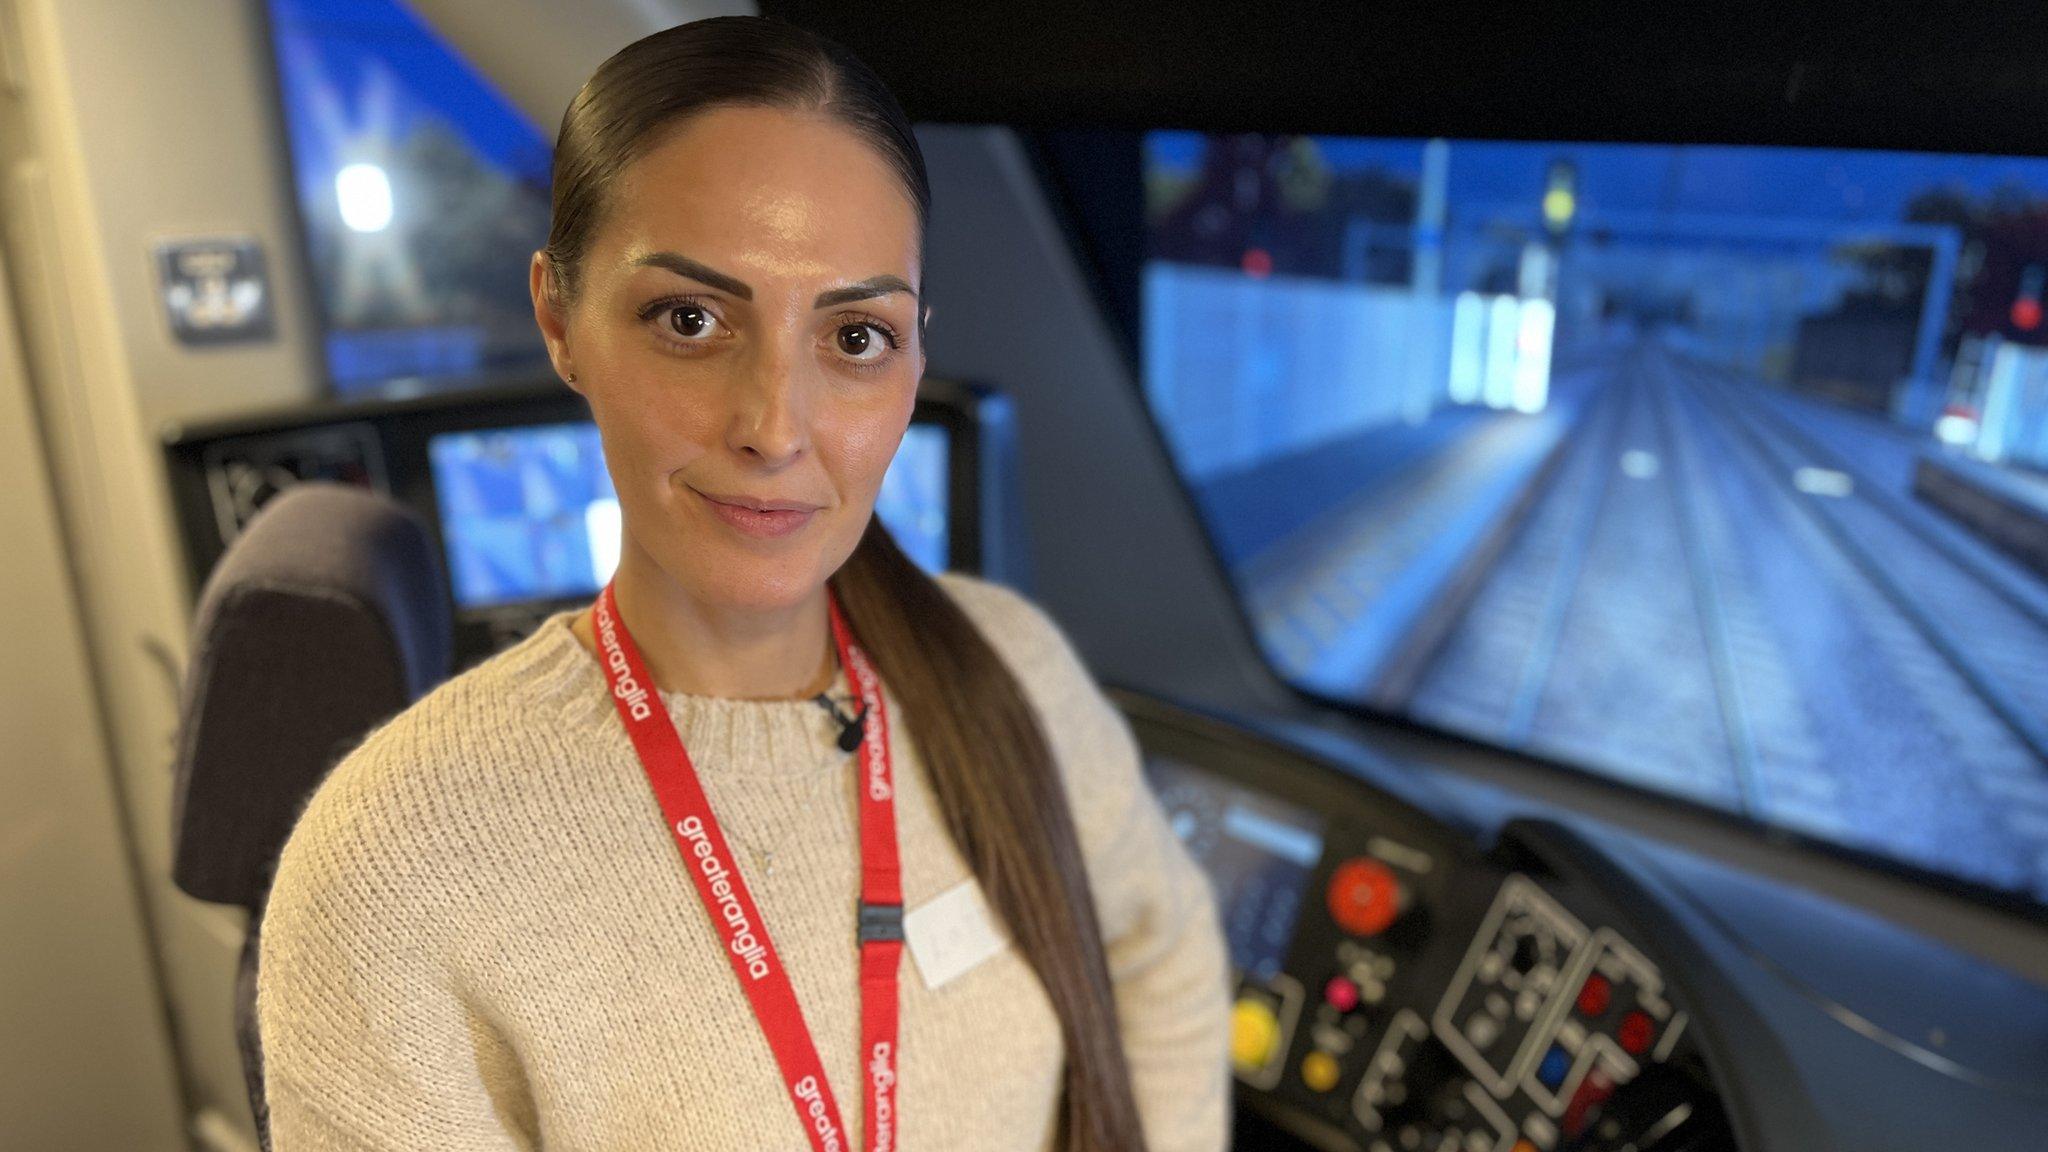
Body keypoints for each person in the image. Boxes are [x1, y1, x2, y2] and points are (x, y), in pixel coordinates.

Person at [255, 14, 1230, 1152]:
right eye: (690, 319)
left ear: (915, 360)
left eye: (855, 336)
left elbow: (1163, 958)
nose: (775, 427)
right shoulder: (394, 868)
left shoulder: (1009, 668)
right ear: (560, 319)